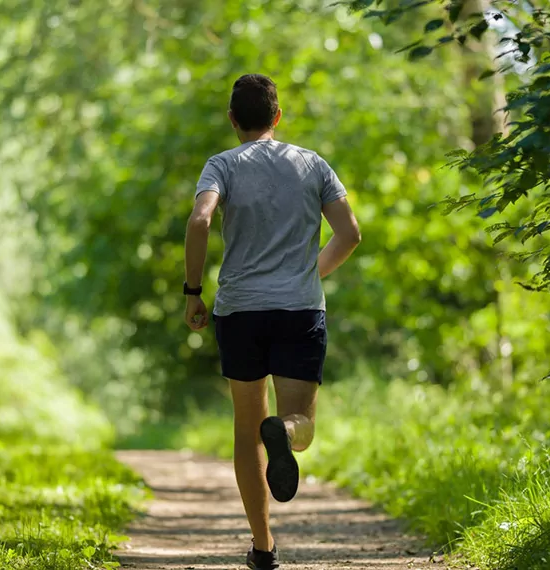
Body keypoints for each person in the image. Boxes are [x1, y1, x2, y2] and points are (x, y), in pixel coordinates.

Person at [182, 73, 362, 570]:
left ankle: (263, 548)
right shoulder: (311, 163)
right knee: (298, 423)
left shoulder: (221, 166)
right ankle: (282, 430)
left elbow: (200, 221)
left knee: (245, 429)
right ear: (277, 117)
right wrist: (309, 273)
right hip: (299, 308)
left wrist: (193, 292)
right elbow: (349, 234)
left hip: (239, 310)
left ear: (233, 120)